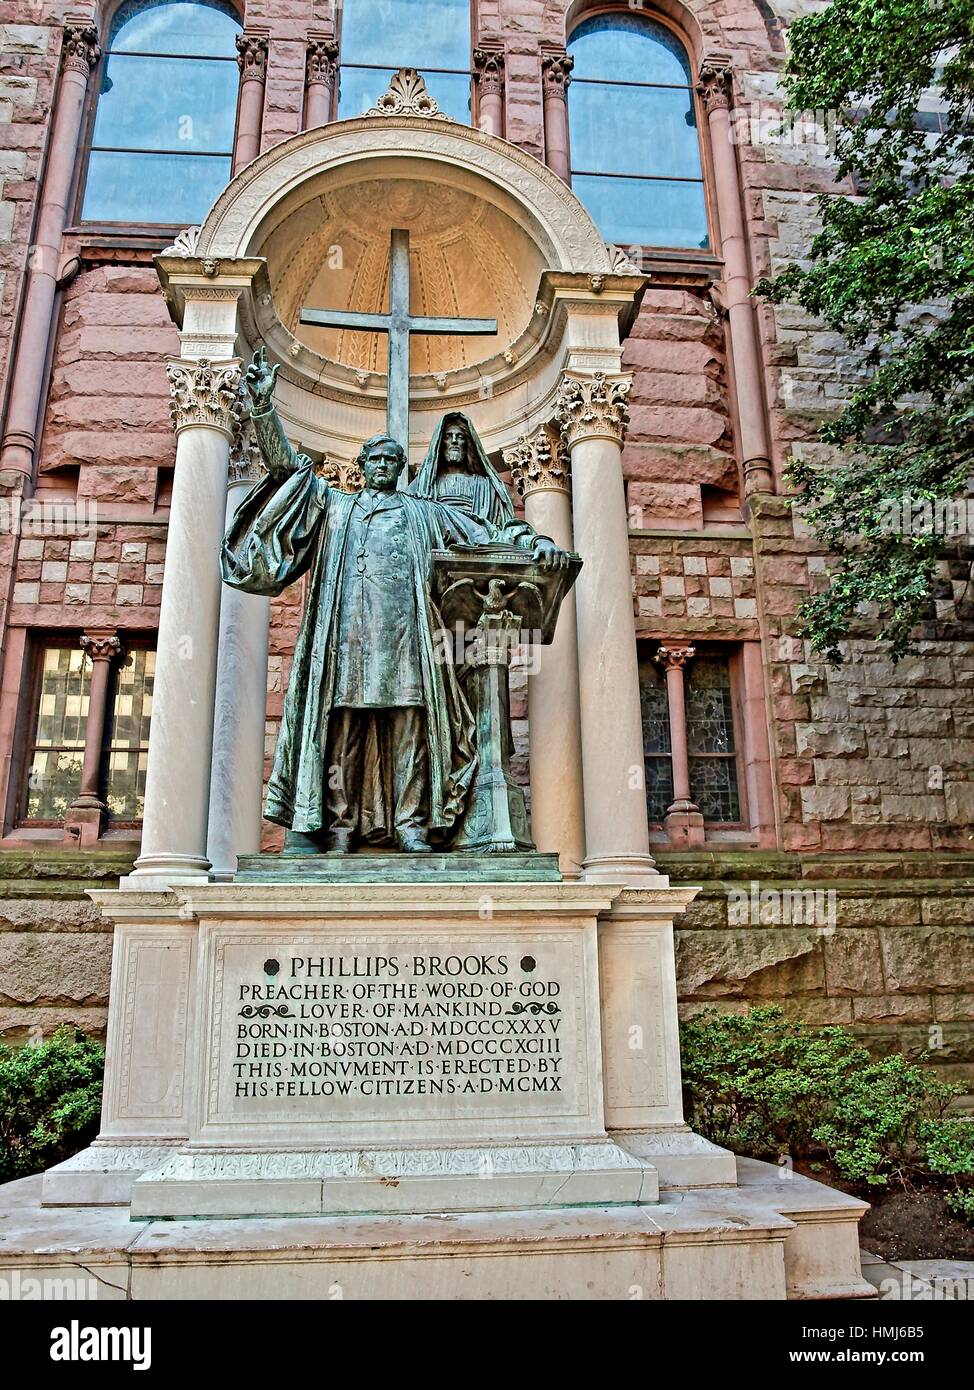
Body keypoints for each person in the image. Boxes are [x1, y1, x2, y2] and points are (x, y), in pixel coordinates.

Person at [221, 348, 569, 854]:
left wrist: (530, 540)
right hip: (344, 643)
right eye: (375, 460)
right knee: (343, 733)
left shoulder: (424, 513)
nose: (382, 466)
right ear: (361, 467)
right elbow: (286, 470)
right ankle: (337, 826)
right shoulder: (333, 505)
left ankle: (410, 823)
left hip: (409, 644)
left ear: (400, 469)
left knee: (411, 730)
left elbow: (485, 531)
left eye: (391, 460)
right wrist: (264, 411)